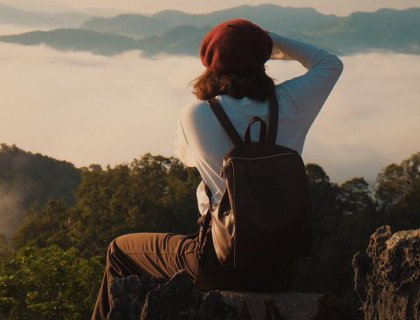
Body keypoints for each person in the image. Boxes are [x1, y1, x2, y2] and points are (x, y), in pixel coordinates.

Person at [92, 18, 343, 320]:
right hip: (283, 269)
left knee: (118, 251)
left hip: (220, 266)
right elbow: (330, 63)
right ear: (262, 59)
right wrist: (265, 39)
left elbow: (185, 158)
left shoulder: (197, 113)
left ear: (211, 64)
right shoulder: (292, 103)